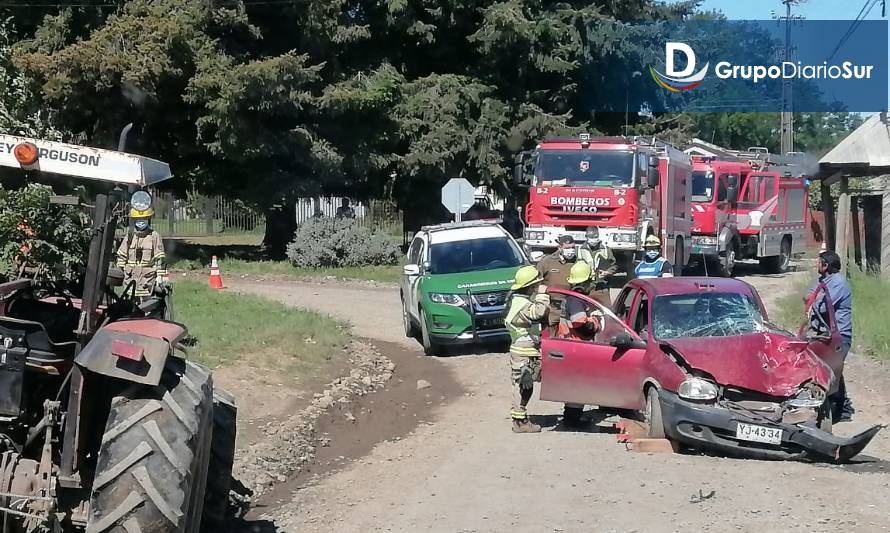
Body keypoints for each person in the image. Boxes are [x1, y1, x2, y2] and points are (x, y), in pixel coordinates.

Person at [807, 250, 854, 422]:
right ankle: (840, 406)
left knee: (832, 371)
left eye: (818, 261)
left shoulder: (838, 282)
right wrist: (815, 298)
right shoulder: (822, 280)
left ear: (826, 265)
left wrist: (816, 299)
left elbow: (822, 306)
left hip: (839, 336)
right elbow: (808, 297)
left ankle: (842, 409)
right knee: (831, 370)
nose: (816, 264)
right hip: (824, 334)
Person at [506, 265, 551, 433]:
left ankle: (520, 418)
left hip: (526, 350)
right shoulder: (521, 304)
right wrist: (542, 295)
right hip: (523, 352)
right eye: (534, 285)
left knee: (526, 385)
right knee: (522, 386)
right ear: (529, 286)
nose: (535, 288)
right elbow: (538, 312)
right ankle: (520, 421)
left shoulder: (518, 300)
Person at [116, 204, 168, 301]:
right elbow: (121, 256)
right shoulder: (130, 236)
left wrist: (160, 276)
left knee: (147, 308)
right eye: (138, 219)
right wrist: (121, 272)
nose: (141, 222)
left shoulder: (154, 236)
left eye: (144, 218)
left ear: (148, 219)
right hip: (130, 280)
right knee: (129, 307)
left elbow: (160, 259)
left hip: (147, 281)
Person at [537, 234, 582, 326]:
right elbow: (535, 281)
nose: (571, 250)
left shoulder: (579, 261)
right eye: (567, 248)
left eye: (573, 247)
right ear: (560, 248)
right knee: (551, 334)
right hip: (552, 307)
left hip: (571, 306)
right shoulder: (547, 261)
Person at [577, 227, 617, 305]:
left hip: (601, 287)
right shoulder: (579, 250)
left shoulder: (606, 249)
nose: (593, 239)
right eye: (590, 237)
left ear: (598, 236)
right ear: (586, 237)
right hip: (584, 287)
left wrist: (608, 272)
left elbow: (614, 265)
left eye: (595, 237)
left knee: (605, 312)